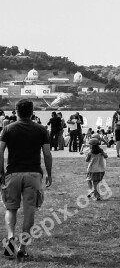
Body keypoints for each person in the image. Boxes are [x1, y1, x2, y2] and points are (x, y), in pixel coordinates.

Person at [0, 99, 53, 260]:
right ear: (32, 112)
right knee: (29, 209)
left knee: (11, 208)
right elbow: (47, 154)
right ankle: (23, 247)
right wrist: (49, 174)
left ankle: (10, 237)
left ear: (16, 112)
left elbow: (0, 152)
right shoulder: (41, 130)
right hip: (33, 173)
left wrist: (1, 173)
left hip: (13, 173)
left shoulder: (7, 129)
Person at [85, 136, 108, 201]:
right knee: (97, 183)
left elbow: (86, 160)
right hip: (100, 169)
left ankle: (97, 195)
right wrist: (103, 153)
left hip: (92, 170)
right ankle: (93, 193)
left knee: (94, 183)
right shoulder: (101, 151)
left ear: (92, 145)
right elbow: (106, 156)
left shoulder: (90, 153)